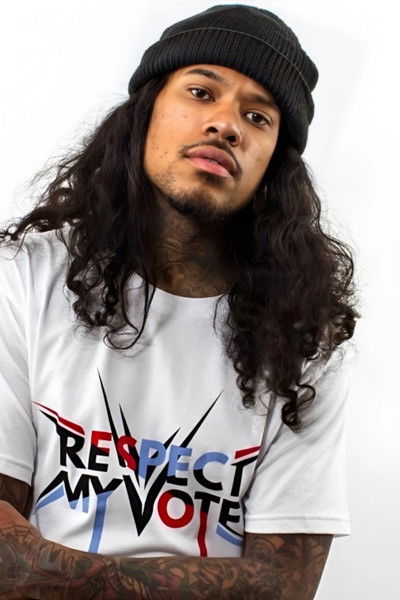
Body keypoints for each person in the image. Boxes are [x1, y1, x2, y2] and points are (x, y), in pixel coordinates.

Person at [0, 4, 358, 599]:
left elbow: (283, 588)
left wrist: (51, 570)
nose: (226, 125)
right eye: (200, 91)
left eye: (257, 116)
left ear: (274, 164)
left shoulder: (305, 336)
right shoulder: (25, 277)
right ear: (146, 112)